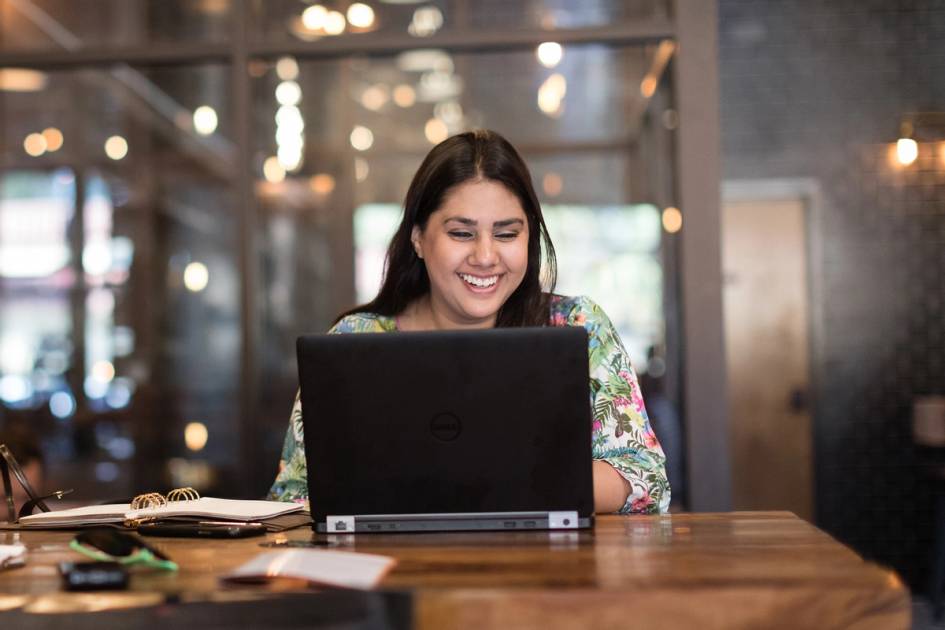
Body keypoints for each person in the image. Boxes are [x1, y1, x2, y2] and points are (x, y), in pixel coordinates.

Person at [270, 129, 670, 514]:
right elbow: (293, 496)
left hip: (547, 576)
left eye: (507, 234)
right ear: (418, 238)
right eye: (461, 233)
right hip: (397, 571)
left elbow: (645, 478)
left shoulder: (578, 325)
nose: (485, 256)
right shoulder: (353, 342)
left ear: (529, 239)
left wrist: (486, 484)